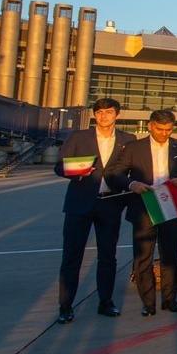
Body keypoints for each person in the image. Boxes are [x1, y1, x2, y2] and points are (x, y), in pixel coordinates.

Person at [105, 109, 177, 316]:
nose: (164, 133)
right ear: (150, 125)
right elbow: (115, 173)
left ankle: (170, 299)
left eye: (168, 130)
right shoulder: (133, 148)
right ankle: (148, 303)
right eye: (160, 129)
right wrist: (132, 183)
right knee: (143, 257)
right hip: (144, 206)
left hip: (171, 206)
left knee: (170, 255)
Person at [54, 97, 135, 323]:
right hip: (79, 204)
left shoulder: (128, 140)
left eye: (109, 112)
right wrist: (74, 171)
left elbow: (132, 169)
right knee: (72, 256)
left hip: (110, 204)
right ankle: (66, 306)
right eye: (99, 112)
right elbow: (59, 165)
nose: (104, 116)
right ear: (94, 115)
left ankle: (105, 302)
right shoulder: (79, 137)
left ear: (117, 115)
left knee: (108, 256)